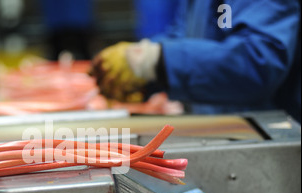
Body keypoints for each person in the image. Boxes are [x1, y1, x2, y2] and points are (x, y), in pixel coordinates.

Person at [90, 0, 301, 122]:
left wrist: (158, 61)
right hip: (219, 128)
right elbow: (187, 35)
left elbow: (258, 63)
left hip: (269, 139)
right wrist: (143, 67)